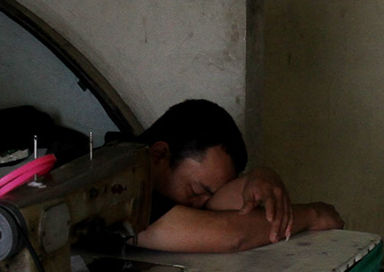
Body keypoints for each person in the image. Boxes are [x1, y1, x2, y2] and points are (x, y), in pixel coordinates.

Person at [131, 99, 344, 252]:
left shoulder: (155, 175)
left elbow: (232, 204)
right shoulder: (123, 183)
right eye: (196, 190)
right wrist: (311, 216)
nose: (201, 204)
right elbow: (230, 235)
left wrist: (262, 176)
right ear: (158, 155)